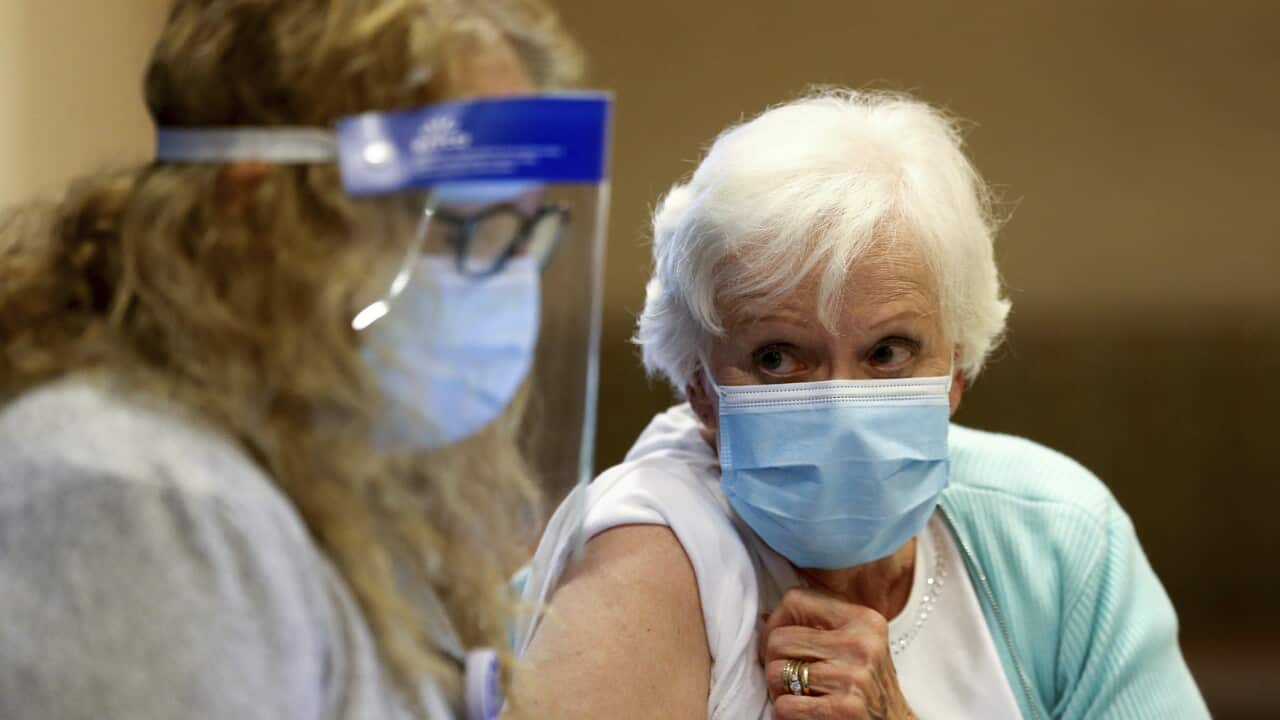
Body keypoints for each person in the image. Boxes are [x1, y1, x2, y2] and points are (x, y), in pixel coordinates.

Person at [514, 90, 1210, 719]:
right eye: (778, 358)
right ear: (699, 386)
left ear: (957, 366)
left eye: (888, 352)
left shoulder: (1054, 535)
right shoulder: (648, 550)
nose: (841, 407)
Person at [0, 1, 609, 718]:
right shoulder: (136, 499)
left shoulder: (341, 491)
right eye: (453, 229)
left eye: (520, 227)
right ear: (255, 216)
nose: (502, 274)